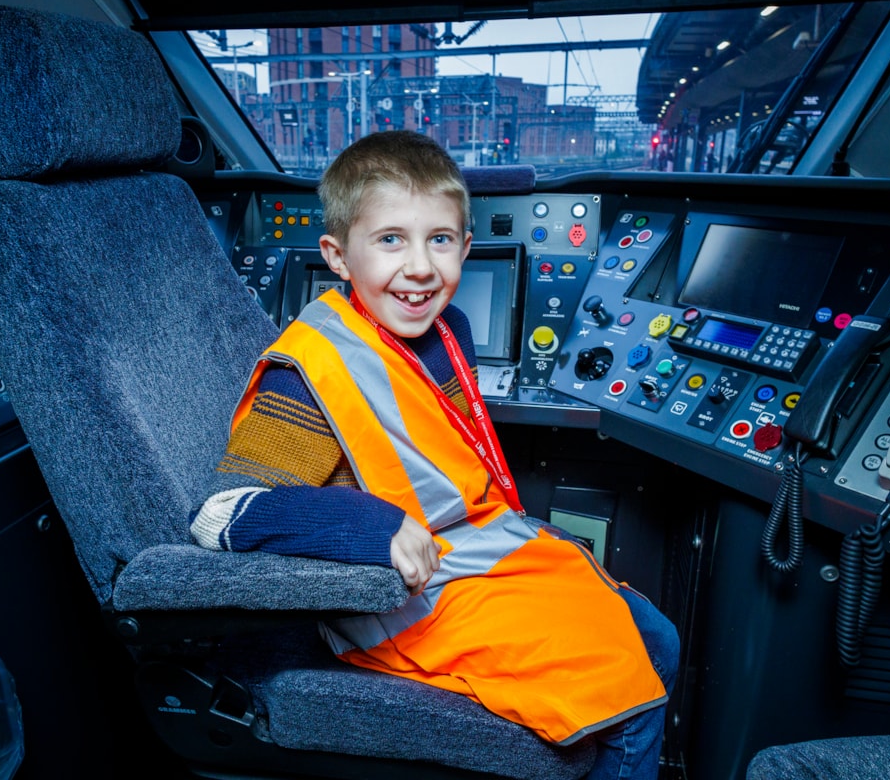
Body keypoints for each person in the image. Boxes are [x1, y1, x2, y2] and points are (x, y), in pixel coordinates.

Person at [190, 129, 679, 779]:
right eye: (390, 239)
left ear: (466, 248)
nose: (420, 267)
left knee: (658, 637)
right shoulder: (310, 372)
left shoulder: (449, 330)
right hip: (393, 592)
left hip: (470, 552)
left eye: (439, 240)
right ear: (337, 256)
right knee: (626, 693)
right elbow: (220, 512)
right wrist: (370, 525)